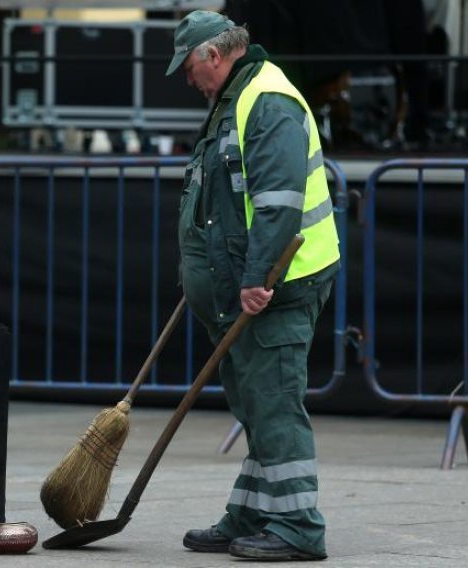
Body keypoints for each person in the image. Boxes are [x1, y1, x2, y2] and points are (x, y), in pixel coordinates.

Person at [166, 10, 340, 561]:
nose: (188, 80)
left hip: (280, 285)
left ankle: (297, 527)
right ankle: (253, 510)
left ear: (213, 55)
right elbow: (222, 202)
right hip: (247, 284)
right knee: (254, 403)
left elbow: (279, 202)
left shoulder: (267, 100)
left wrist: (256, 278)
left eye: (189, 69)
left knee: (273, 401)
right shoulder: (234, 99)